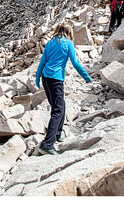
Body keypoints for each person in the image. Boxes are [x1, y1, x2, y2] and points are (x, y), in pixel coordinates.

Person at [35, 22, 92, 156]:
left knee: (60, 105)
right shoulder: (67, 44)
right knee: (58, 110)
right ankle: (47, 144)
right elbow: (75, 63)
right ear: (69, 32)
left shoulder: (49, 43)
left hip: (46, 77)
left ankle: (57, 133)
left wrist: (37, 78)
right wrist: (86, 76)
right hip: (56, 79)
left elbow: (42, 62)